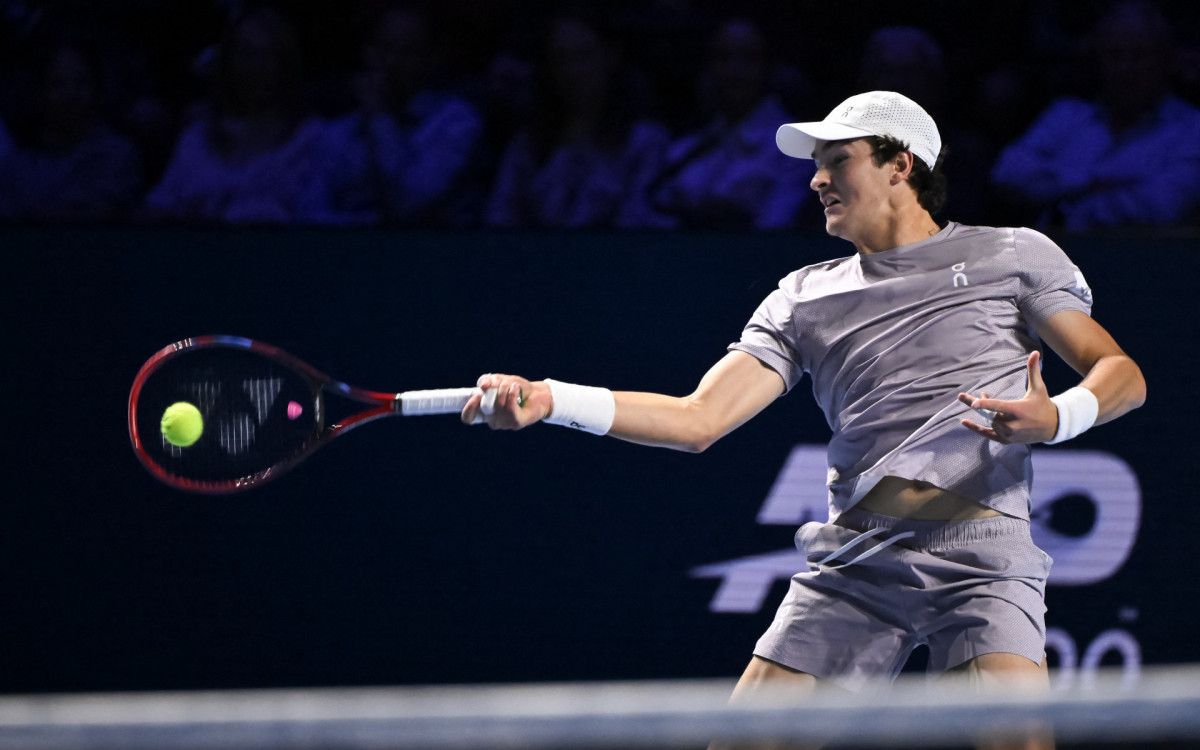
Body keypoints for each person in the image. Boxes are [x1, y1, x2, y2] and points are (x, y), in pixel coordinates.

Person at [461, 90, 1146, 750]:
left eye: (836, 159)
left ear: (899, 164)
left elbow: (1122, 375)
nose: (816, 179)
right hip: (858, 563)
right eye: (816, 165)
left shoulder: (1013, 255)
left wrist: (1056, 416)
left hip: (983, 561)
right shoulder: (803, 296)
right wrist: (552, 398)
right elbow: (698, 418)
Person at [990, 0, 1200, 230]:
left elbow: (1163, 205)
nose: (1125, 68)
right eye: (1114, 55)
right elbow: (1007, 172)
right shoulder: (1066, 114)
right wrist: (1089, 182)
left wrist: (1062, 205)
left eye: (1139, 55)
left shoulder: (1192, 128)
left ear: (1165, 59)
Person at [483, 11, 670, 229]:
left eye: (584, 55)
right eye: (560, 59)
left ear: (611, 56)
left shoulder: (645, 142)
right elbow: (498, 222)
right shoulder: (526, 145)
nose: (572, 71)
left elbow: (638, 226)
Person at [302, 3, 484, 226]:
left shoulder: (457, 122)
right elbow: (308, 216)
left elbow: (407, 205)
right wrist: (370, 224)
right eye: (383, 48)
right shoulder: (337, 132)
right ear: (366, 52)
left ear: (431, 58)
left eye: (408, 52)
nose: (392, 62)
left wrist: (380, 119)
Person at [142, 6, 325, 224]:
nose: (257, 67)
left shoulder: (314, 139)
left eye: (269, 55)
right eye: (247, 54)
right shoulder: (196, 137)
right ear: (228, 61)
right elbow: (160, 207)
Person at [640, 17, 815, 231]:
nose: (735, 70)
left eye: (749, 57)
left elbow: (777, 230)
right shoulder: (683, 151)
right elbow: (655, 231)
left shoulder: (796, 147)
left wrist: (733, 222)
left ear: (768, 67)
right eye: (723, 58)